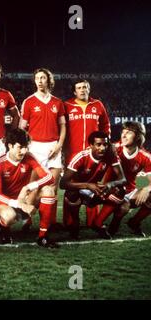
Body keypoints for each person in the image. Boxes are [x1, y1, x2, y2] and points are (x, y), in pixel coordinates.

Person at [0, 128, 57, 247]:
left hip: (24, 198)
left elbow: (50, 178)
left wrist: (28, 187)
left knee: (49, 190)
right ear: (10, 146)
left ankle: (43, 236)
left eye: (26, 147)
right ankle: (2, 228)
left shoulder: (29, 157)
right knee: (9, 216)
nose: (23, 151)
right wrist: (19, 204)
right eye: (20, 147)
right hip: (4, 203)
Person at [19, 68, 65, 230]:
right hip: (35, 148)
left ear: (49, 81)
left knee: (53, 186)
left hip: (54, 147)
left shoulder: (57, 102)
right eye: (37, 78)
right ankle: (27, 218)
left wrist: (59, 145)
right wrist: (25, 147)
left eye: (43, 78)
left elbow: (63, 126)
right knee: (33, 185)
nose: (39, 81)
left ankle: (50, 222)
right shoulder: (29, 101)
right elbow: (22, 128)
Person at [60, 131, 126, 240]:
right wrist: (87, 185)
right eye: (98, 144)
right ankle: (75, 223)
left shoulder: (111, 155)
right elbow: (63, 183)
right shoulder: (81, 157)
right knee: (71, 193)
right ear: (90, 145)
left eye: (105, 144)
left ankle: (98, 224)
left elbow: (123, 179)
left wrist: (110, 184)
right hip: (80, 190)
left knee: (120, 191)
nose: (102, 148)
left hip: (97, 189)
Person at [63, 79, 111, 228]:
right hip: (73, 155)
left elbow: (106, 126)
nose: (82, 90)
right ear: (74, 91)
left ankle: (92, 220)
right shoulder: (67, 106)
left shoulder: (98, 105)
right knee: (71, 187)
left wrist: (104, 146)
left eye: (85, 87)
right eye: (79, 88)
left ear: (89, 89)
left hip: (94, 156)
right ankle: (69, 221)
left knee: (94, 185)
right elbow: (62, 128)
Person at [93, 121, 151, 237]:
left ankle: (134, 223)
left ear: (138, 136)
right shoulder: (113, 149)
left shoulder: (145, 156)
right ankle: (106, 225)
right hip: (110, 189)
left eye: (128, 132)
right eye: (123, 132)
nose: (123, 135)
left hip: (129, 191)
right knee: (123, 206)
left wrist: (146, 189)